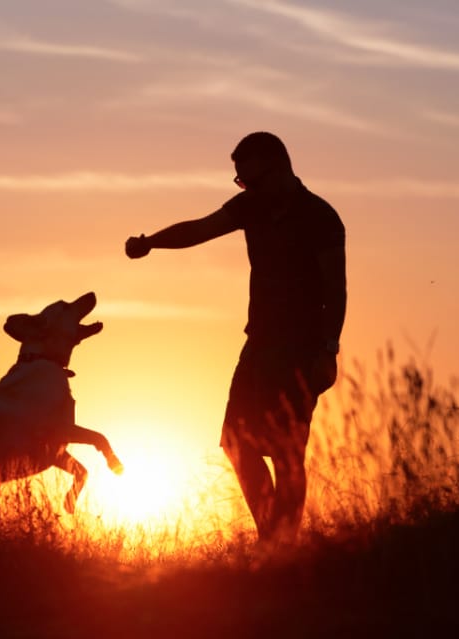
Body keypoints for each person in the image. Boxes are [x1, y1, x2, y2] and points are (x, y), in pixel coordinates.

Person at [125, 132, 346, 542]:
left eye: (249, 180)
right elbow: (199, 229)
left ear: (278, 168)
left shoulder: (321, 217)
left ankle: (282, 548)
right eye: (240, 183)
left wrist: (328, 350)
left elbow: (336, 290)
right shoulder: (251, 207)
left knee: (287, 453)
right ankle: (272, 537)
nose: (244, 189)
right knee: (234, 440)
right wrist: (152, 242)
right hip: (259, 343)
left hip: (303, 349)